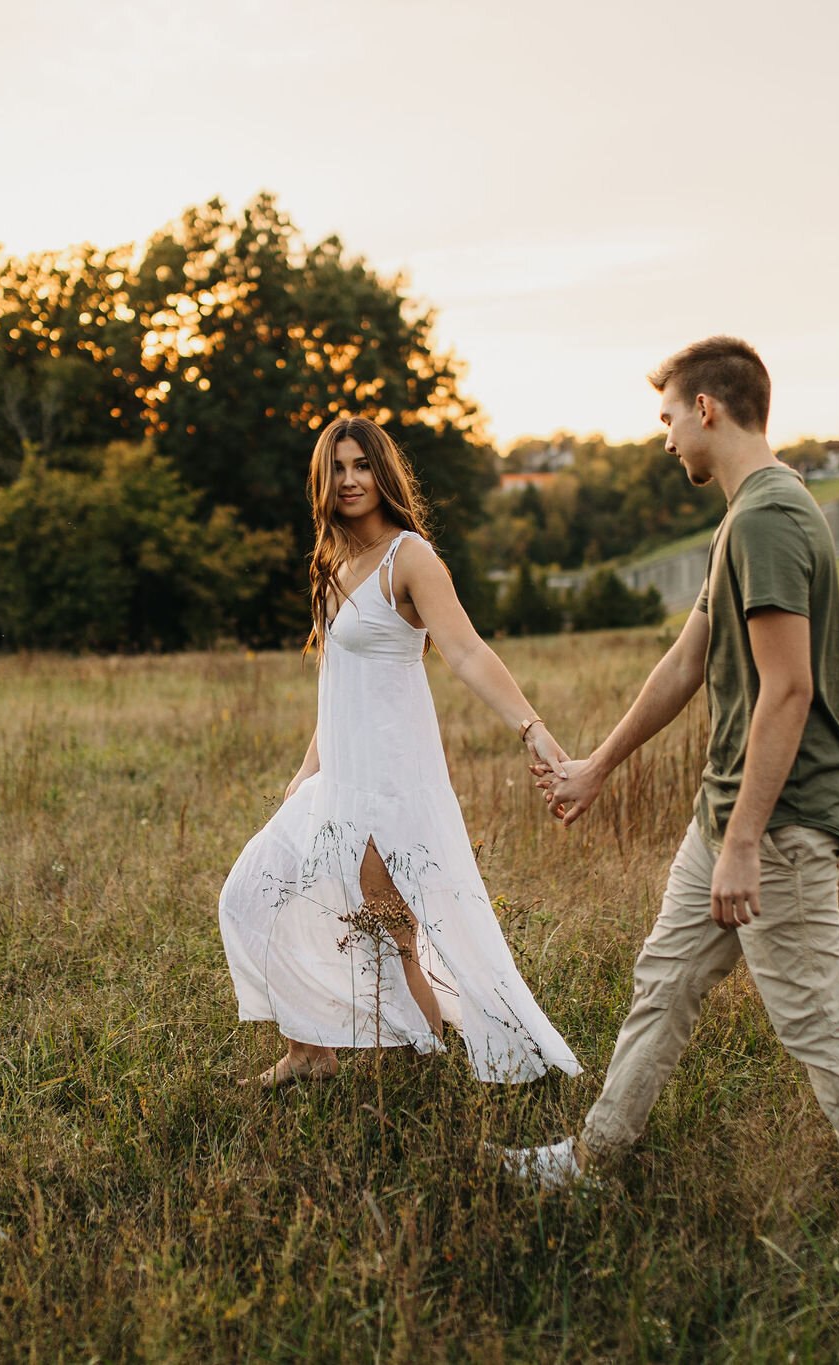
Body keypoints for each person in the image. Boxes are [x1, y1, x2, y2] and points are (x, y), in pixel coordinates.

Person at [504, 338, 839, 1248]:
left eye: (666, 421)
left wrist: (741, 843)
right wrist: (600, 764)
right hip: (724, 816)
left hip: (776, 825)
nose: (662, 444)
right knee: (664, 983)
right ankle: (591, 1161)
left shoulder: (770, 519)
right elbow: (686, 660)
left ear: (708, 411)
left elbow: (789, 689)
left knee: (817, 1021)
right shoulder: (745, 519)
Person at [218, 415, 583, 1089]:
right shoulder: (332, 564)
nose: (350, 479)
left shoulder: (408, 557)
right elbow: (339, 683)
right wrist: (306, 772)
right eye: (339, 468)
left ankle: (427, 1067)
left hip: (391, 784)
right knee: (253, 891)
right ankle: (310, 1052)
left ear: (382, 474)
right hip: (337, 777)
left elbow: (467, 650)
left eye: (362, 465)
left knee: (392, 931)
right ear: (322, 481)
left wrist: (530, 726)